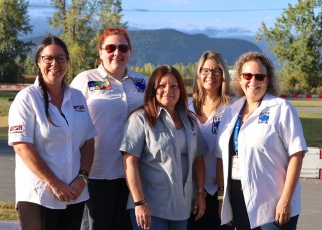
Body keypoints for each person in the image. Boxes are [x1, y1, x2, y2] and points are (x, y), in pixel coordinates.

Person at [8, 36, 96, 230]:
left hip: (75, 193)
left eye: (60, 58)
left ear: (67, 63)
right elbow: (22, 147)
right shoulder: (26, 99)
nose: (54, 63)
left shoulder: (78, 97)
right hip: (38, 196)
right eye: (48, 58)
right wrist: (55, 184)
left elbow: (88, 142)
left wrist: (82, 178)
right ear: (38, 62)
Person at [216, 51, 307, 230]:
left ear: (268, 80)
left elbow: (297, 154)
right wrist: (222, 200)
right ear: (240, 79)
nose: (253, 81)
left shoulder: (282, 109)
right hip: (238, 198)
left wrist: (285, 201)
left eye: (260, 77)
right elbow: (221, 157)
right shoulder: (230, 112)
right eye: (247, 76)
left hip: (273, 204)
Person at [70, 28, 148, 230]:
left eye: (123, 48)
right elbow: (70, 122)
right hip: (97, 174)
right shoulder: (84, 80)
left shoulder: (142, 83)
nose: (117, 53)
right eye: (111, 48)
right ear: (100, 51)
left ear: (130, 51)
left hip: (134, 176)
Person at [120, 65, 207, 230]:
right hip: (150, 208)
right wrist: (139, 202)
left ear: (181, 90)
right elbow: (129, 162)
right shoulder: (140, 119)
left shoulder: (190, 121)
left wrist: (200, 193)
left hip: (181, 209)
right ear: (153, 89)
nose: (168, 90)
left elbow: (198, 158)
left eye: (174, 86)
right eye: (161, 85)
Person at [187, 51, 232, 230]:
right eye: (205, 70)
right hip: (190, 190)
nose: (210, 75)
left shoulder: (232, 108)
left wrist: (222, 196)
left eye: (216, 71)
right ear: (198, 74)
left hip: (221, 191)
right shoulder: (185, 107)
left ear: (223, 75)